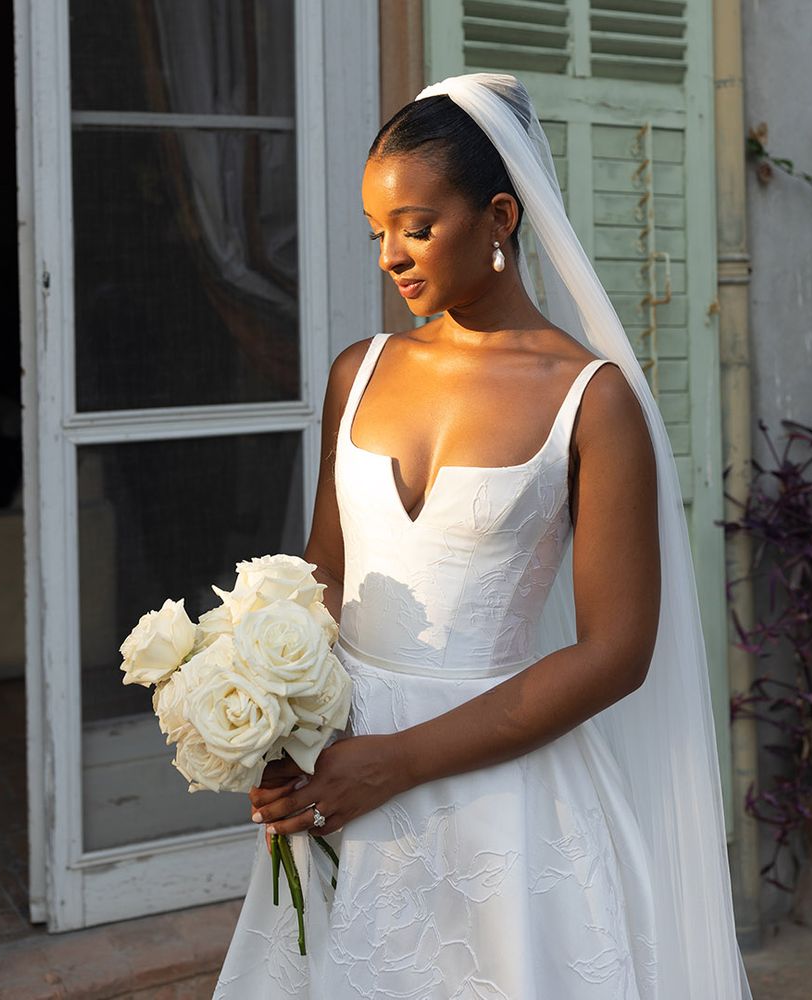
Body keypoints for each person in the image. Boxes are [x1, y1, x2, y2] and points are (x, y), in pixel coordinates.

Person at [214, 73, 753, 999]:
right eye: (377, 231)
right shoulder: (360, 372)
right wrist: (273, 726)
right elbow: (322, 577)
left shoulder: (592, 399)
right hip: (340, 777)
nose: (391, 255)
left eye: (416, 227)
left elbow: (618, 652)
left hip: (500, 794)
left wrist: (399, 762)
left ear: (499, 215)